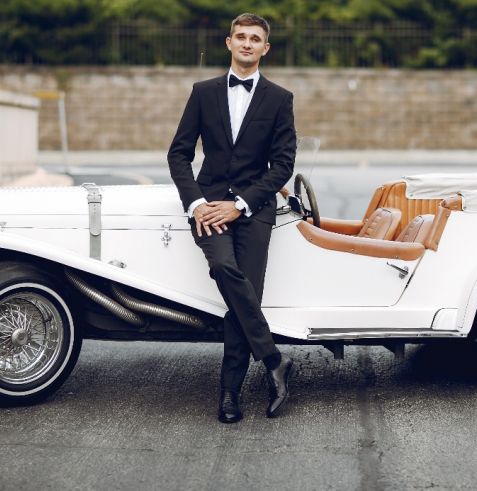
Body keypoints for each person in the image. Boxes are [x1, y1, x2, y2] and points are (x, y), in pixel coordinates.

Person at [167, 13, 297, 423]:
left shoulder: (279, 99)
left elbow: (282, 165)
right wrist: (196, 205)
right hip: (208, 206)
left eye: (254, 38)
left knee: (246, 299)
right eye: (240, 37)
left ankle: (230, 394)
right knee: (225, 268)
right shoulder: (203, 92)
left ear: (265, 48)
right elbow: (179, 154)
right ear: (228, 43)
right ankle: (274, 359)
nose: (246, 43)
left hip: (254, 210)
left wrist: (240, 203)